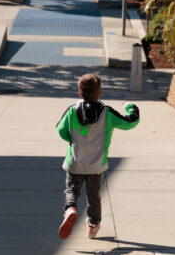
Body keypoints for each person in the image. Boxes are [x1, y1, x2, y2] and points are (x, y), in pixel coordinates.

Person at [55, 73, 140, 239]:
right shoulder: (107, 113)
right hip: (96, 166)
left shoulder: (72, 111)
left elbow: (60, 129)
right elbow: (130, 121)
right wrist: (131, 107)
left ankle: (70, 208)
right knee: (94, 197)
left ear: (79, 93)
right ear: (100, 93)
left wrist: (72, 141)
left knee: (71, 189)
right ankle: (93, 225)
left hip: (75, 162)